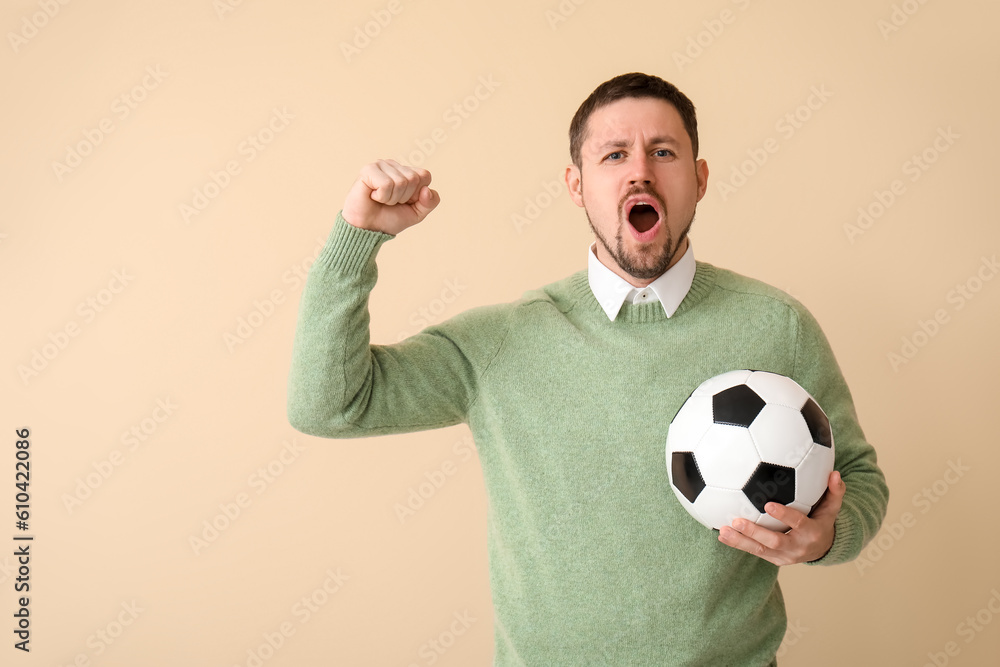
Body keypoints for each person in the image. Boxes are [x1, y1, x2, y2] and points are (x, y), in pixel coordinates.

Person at [287, 72, 889, 665]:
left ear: (699, 179)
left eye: (663, 151)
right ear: (576, 185)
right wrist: (355, 239)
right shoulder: (501, 342)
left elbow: (858, 479)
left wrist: (825, 538)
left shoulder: (775, 324)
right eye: (614, 155)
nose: (640, 171)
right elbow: (329, 405)